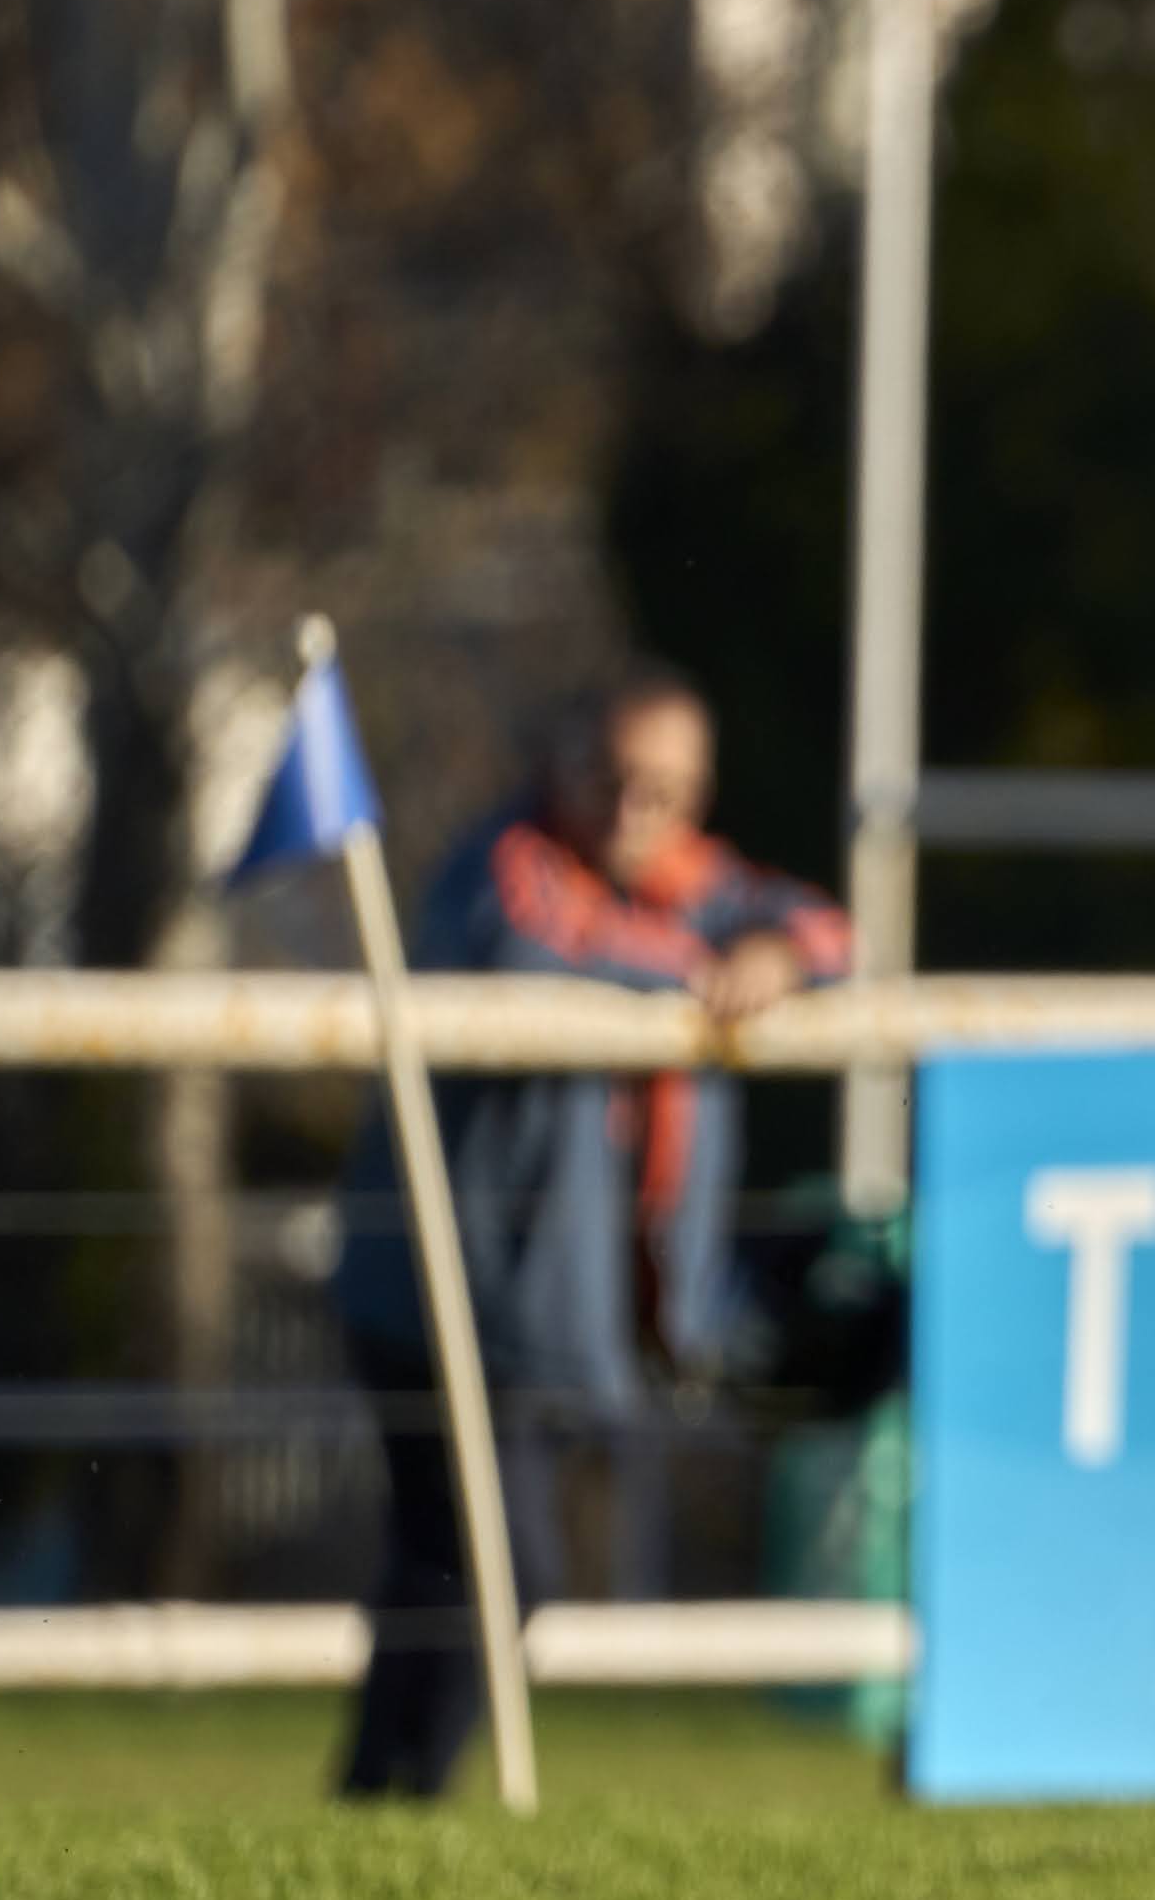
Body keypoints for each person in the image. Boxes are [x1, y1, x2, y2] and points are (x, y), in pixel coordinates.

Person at [333, 669, 847, 1799]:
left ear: (699, 796)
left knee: (450, 1571)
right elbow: (541, 951)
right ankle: (396, 1802)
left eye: (663, 790)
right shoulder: (501, 864)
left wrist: (778, 960)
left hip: (545, 1317)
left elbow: (821, 927)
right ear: (562, 769)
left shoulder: (697, 888)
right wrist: (714, 976)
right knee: (498, 1566)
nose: (633, 809)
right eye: (612, 780)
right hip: (437, 1303)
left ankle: (376, 1810)